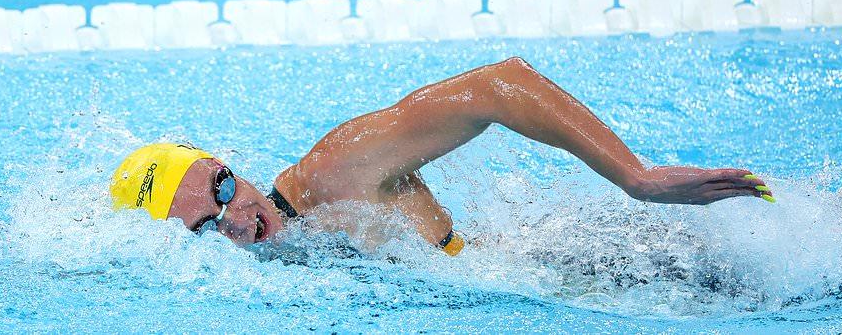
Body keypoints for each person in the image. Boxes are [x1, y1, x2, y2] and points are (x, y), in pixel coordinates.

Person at [109, 56, 774, 252]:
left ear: (227, 160)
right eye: (206, 225)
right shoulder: (282, 265)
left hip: (614, 264)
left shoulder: (333, 171)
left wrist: (636, 177)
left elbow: (495, 86)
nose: (237, 218)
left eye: (223, 189)